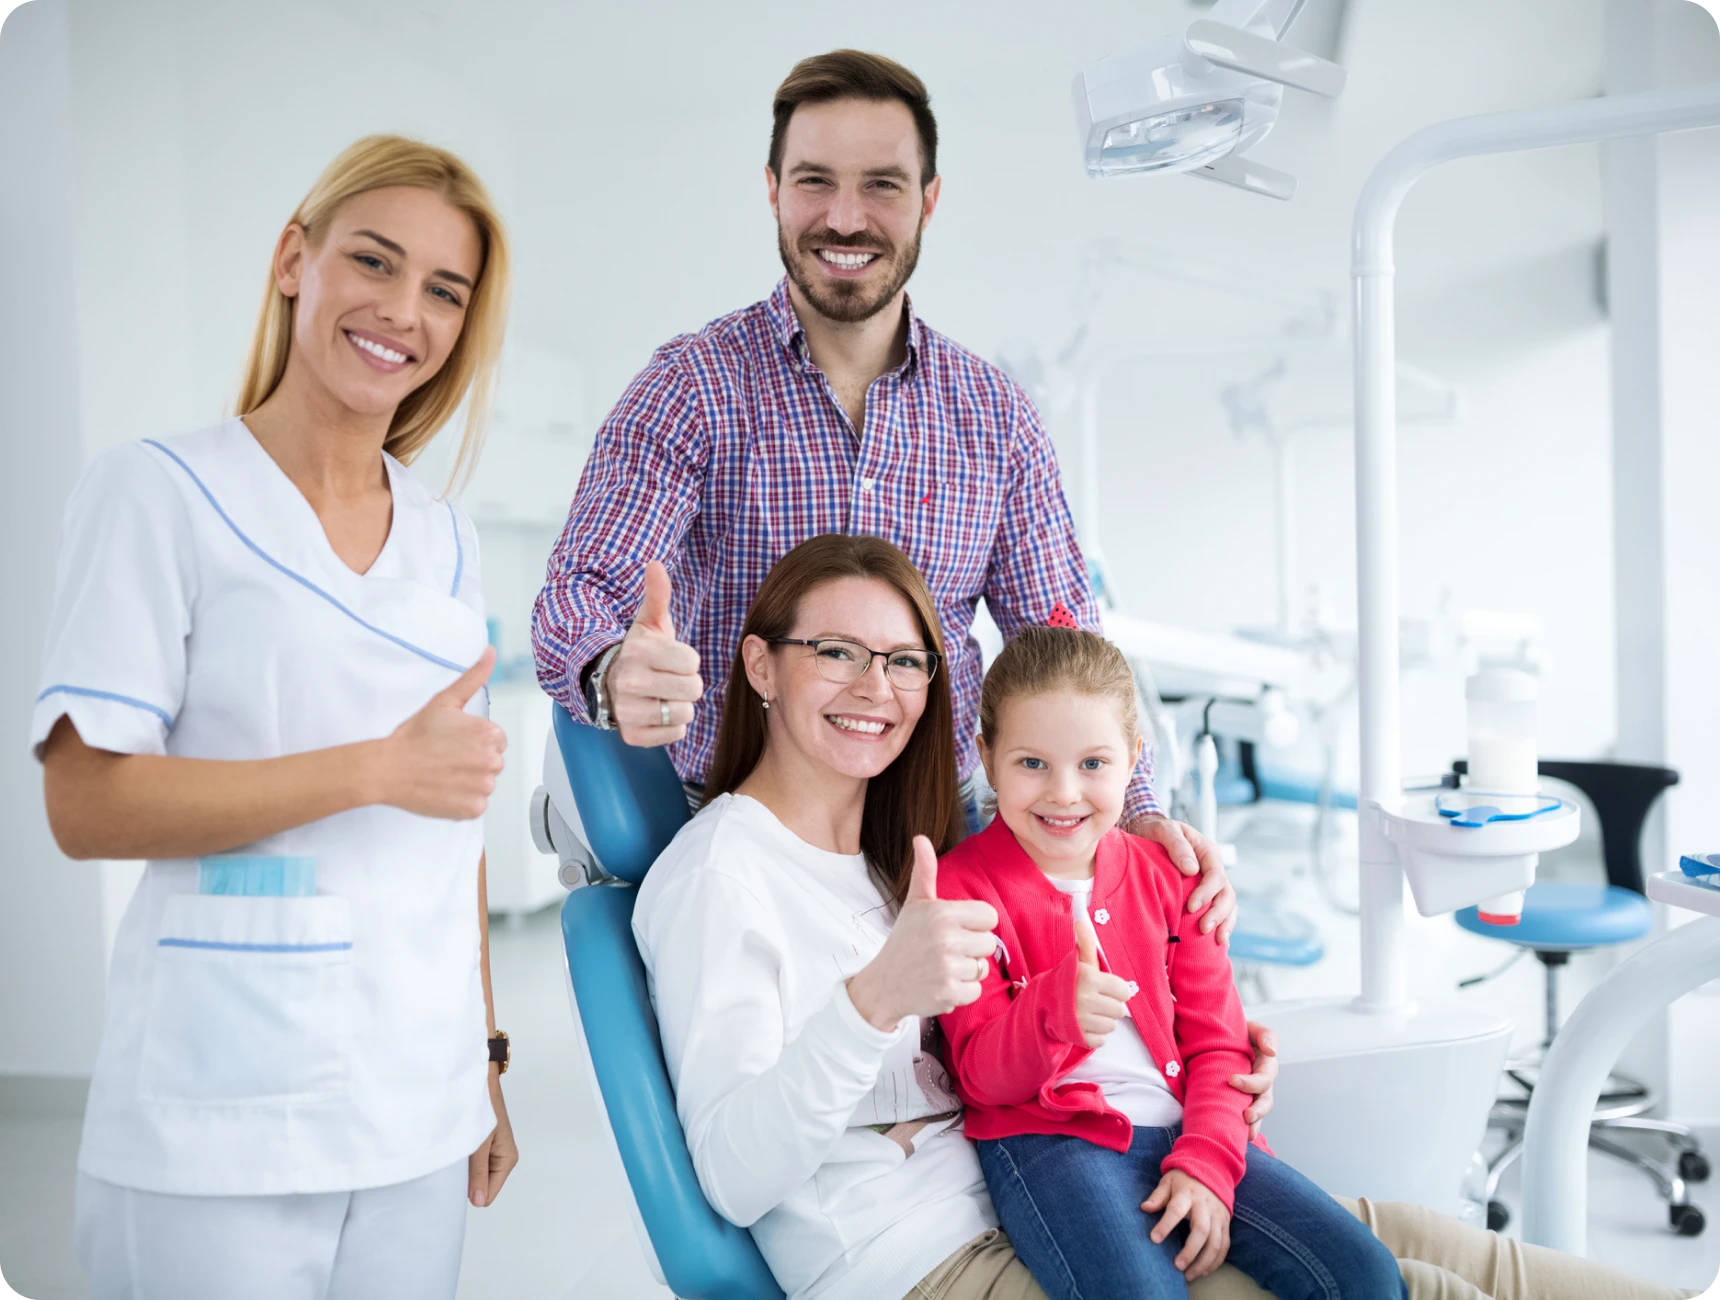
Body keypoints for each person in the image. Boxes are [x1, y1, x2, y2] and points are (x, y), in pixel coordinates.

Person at [633, 532, 1703, 1300]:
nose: (876, 685)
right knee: (1422, 1289)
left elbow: (1124, 969)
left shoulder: (894, 851)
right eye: (835, 650)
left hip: (1108, 1168)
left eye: (904, 659)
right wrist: (877, 1000)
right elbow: (733, 1173)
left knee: (1443, 1253)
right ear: (760, 662)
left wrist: (1206, 1074)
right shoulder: (721, 876)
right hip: (937, 1249)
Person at [531, 47, 1243, 945]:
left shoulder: (996, 417)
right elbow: (578, 595)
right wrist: (611, 670)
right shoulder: (692, 387)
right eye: (815, 181)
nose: (845, 217)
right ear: (773, 190)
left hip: (936, 833)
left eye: (882, 185)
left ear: (928, 200)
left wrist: (1135, 811)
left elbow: (1063, 648)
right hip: (743, 833)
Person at [36, 135, 518, 1300]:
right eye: (374, 260)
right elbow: (85, 804)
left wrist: (484, 1059)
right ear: (294, 260)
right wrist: (374, 769)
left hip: (419, 1097)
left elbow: (454, 818)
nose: (402, 311)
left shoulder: (446, 537)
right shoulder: (158, 491)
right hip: (221, 1107)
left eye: (444, 290)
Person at [935, 625, 1404, 1299]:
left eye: (1093, 764)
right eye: (1032, 763)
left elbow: (1220, 1044)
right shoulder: (960, 888)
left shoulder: (1173, 877)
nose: (1063, 793)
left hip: (1187, 1123)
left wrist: (1207, 1161)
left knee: (1365, 1275)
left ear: (1134, 759)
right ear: (986, 756)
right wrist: (1053, 1012)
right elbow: (980, 1076)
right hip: (1050, 1142)